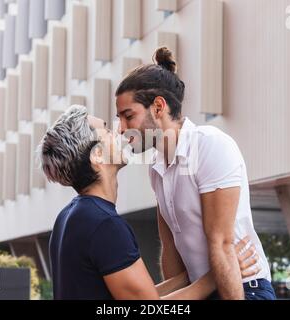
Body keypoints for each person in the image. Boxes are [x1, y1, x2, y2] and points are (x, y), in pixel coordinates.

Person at [38, 105, 260, 300]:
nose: (118, 131)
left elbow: (137, 295)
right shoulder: (103, 225)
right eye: (106, 129)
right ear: (97, 155)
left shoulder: (70, 217)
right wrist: (219, 275)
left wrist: (193, 274)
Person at [115, 47, 276, 300]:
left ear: (158, 107)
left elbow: (222, 244)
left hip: (242, 288)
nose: (121, 129)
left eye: (128, 116)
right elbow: (171, 249)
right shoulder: (157, 167)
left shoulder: (209, 145)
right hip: (201, 289)